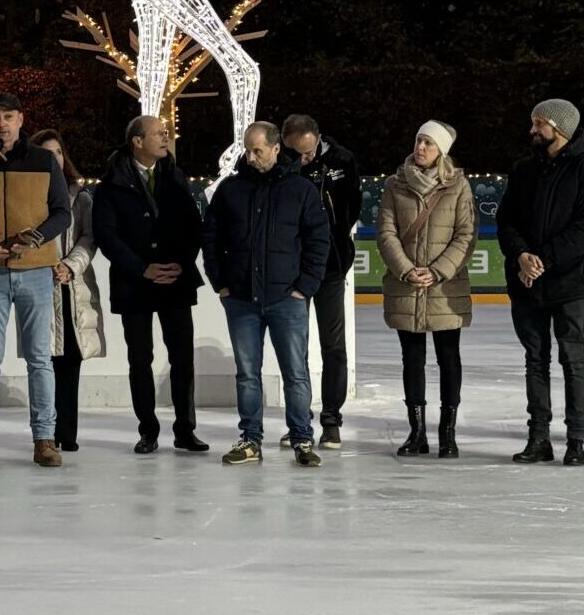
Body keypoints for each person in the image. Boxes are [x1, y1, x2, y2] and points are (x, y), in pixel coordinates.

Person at [203, 122, 331, 466]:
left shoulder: (301, 190)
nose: (251, 155)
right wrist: (220, 282)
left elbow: (319, 241)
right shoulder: (231, 189)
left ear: (276, 149)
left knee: (296, 372)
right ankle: (250, 439)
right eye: (248, 149)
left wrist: (305, 287)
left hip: (286, 298)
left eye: (258, 149)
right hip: (241, 299)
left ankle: (302, 438)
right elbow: (211, 239)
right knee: (247, 373)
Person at [0, 93, 72, 469]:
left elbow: (62, 213)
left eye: (8, 116)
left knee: (40, 359)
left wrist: (37, 238)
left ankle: (45, 438)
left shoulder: (44, 161)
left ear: (21, 119)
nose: (2, 123)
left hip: (36, 271)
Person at [495, 97, 584, 465]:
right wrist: (522, 256)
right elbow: (506, 222)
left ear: (559, 129)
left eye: (538, 123)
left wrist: (544, 259)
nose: (532, 130)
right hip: (526, 282)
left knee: (572, 360)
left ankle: (576, 440)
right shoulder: (523, 170)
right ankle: (538, 438)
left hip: (568, 283)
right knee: (535, 361)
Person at [92, 113, 208, 455]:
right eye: (158, 133)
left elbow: (193, 225)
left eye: (166, 133)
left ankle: (186, 430)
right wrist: (142, 269)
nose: (165, 137)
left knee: (182, 357)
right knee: (139, 358)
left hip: (175, 279)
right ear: (137, 142)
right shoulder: (111, 183)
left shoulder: (175, 176)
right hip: (135, 284)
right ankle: (148, 431)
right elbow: (106, 235)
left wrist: (181, 263)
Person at [375, 120, 476, 458]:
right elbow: (386, 233)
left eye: (428, 143)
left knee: (449, 359)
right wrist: (406, 270)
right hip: (406, 287)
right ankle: (417, 432)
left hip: (445, 289)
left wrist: (437, 271)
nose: (420, 148)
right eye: (419, 140)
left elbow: (466, 235)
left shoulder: (458, 186)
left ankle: (448, 433)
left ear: (441, 150)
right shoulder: (395, 184)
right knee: (412, 359)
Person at [280, 115, 363, 448]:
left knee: (333, 345)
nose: (304, 158)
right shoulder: (281, 164)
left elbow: (351, 208)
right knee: (294, 349)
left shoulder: (342, 160)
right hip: (292, 271)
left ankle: (331, 419)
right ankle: (299, 421)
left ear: (317, 138)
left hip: (330, 268)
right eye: (295, 152)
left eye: (307, 151)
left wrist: (334, 239)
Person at [31, 129, 103, 452]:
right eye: (47, 154)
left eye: (58, 152)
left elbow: (89, 238)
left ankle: (67, 433)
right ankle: (45, 432)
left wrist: (69, 265)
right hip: (40, 285)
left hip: (73, 288)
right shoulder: (29, 197)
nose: (54, 159)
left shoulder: (81, 197)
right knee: (44, 360)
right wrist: (44, 263)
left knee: (71, 359)